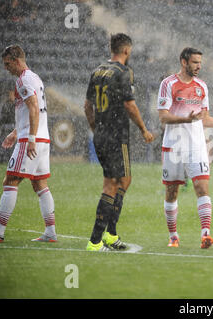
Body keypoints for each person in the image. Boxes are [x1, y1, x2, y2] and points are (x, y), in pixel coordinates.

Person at [157, 47, 213, 249]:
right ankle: (173, 236)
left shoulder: (202, 86)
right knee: (172, 193)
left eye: (200, 63)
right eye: (195, 62)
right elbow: (163, 116)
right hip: (174, 146)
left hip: (196, 145)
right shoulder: (168, 84)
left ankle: (206, 234)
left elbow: (204, 119)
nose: (198, 66)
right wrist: (184, 119)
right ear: (183, 62)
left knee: (202, 188)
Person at [84, 33, 154, 251]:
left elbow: (87, 106)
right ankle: (95, 241)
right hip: (116, 135)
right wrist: (144, 129)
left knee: (124, 180)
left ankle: (111, 235)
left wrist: (97, 129)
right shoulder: (123, 72)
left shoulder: (97, 71)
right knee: (112, 184)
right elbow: (130, 105)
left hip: (102, 134)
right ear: (126, 50)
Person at [0, 45, 56, 243]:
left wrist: (29, 139)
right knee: (40, 184)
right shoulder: (35, 77)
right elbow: (34, 110)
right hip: (42, 138)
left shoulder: (23, 79)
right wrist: (15, 133)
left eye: (7, 64)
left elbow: (32, 107)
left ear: (16, 60)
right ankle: (50, 232)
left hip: (31, 140)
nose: (6, 68)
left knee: (10, 181)